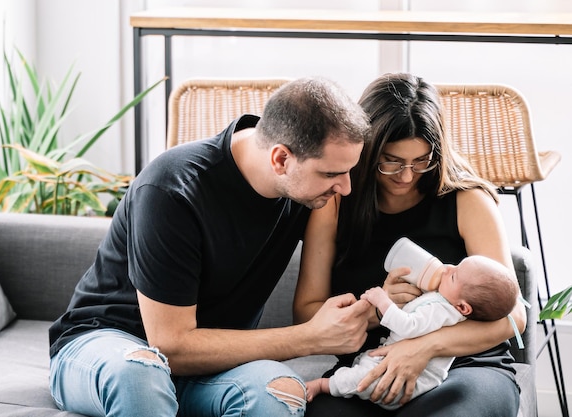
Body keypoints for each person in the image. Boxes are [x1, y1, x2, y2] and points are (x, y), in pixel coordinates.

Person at [48, 76, 372, 417]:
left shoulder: (308, 192)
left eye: (350, 171)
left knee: (279, 395)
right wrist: (309, 338)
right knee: (140, 374)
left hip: (211, 368)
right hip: (112, 346)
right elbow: (170, 346)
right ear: (280, 159)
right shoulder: (172, 189)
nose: (346, 188)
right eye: (332, 173)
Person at [294, 73, 527, 417]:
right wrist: (373, 312)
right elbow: (306, 312)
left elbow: (514, 317)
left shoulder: (467, 200)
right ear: (366, 149)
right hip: (369, 368)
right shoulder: (336, 202)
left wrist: (425, 345)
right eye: (391, 161)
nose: (406, 176)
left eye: (420, 161)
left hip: (462, 367)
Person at [306, 253, 519, 409]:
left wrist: (383, 301)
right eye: (455, 266)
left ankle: (324, 385)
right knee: (366, 368)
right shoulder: (444, 299)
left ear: (463, 307)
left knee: (361, 380)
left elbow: (408, 325)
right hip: (396, 361)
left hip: (406, 380)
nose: (447, 268)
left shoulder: (442, 310)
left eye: (454, 276)